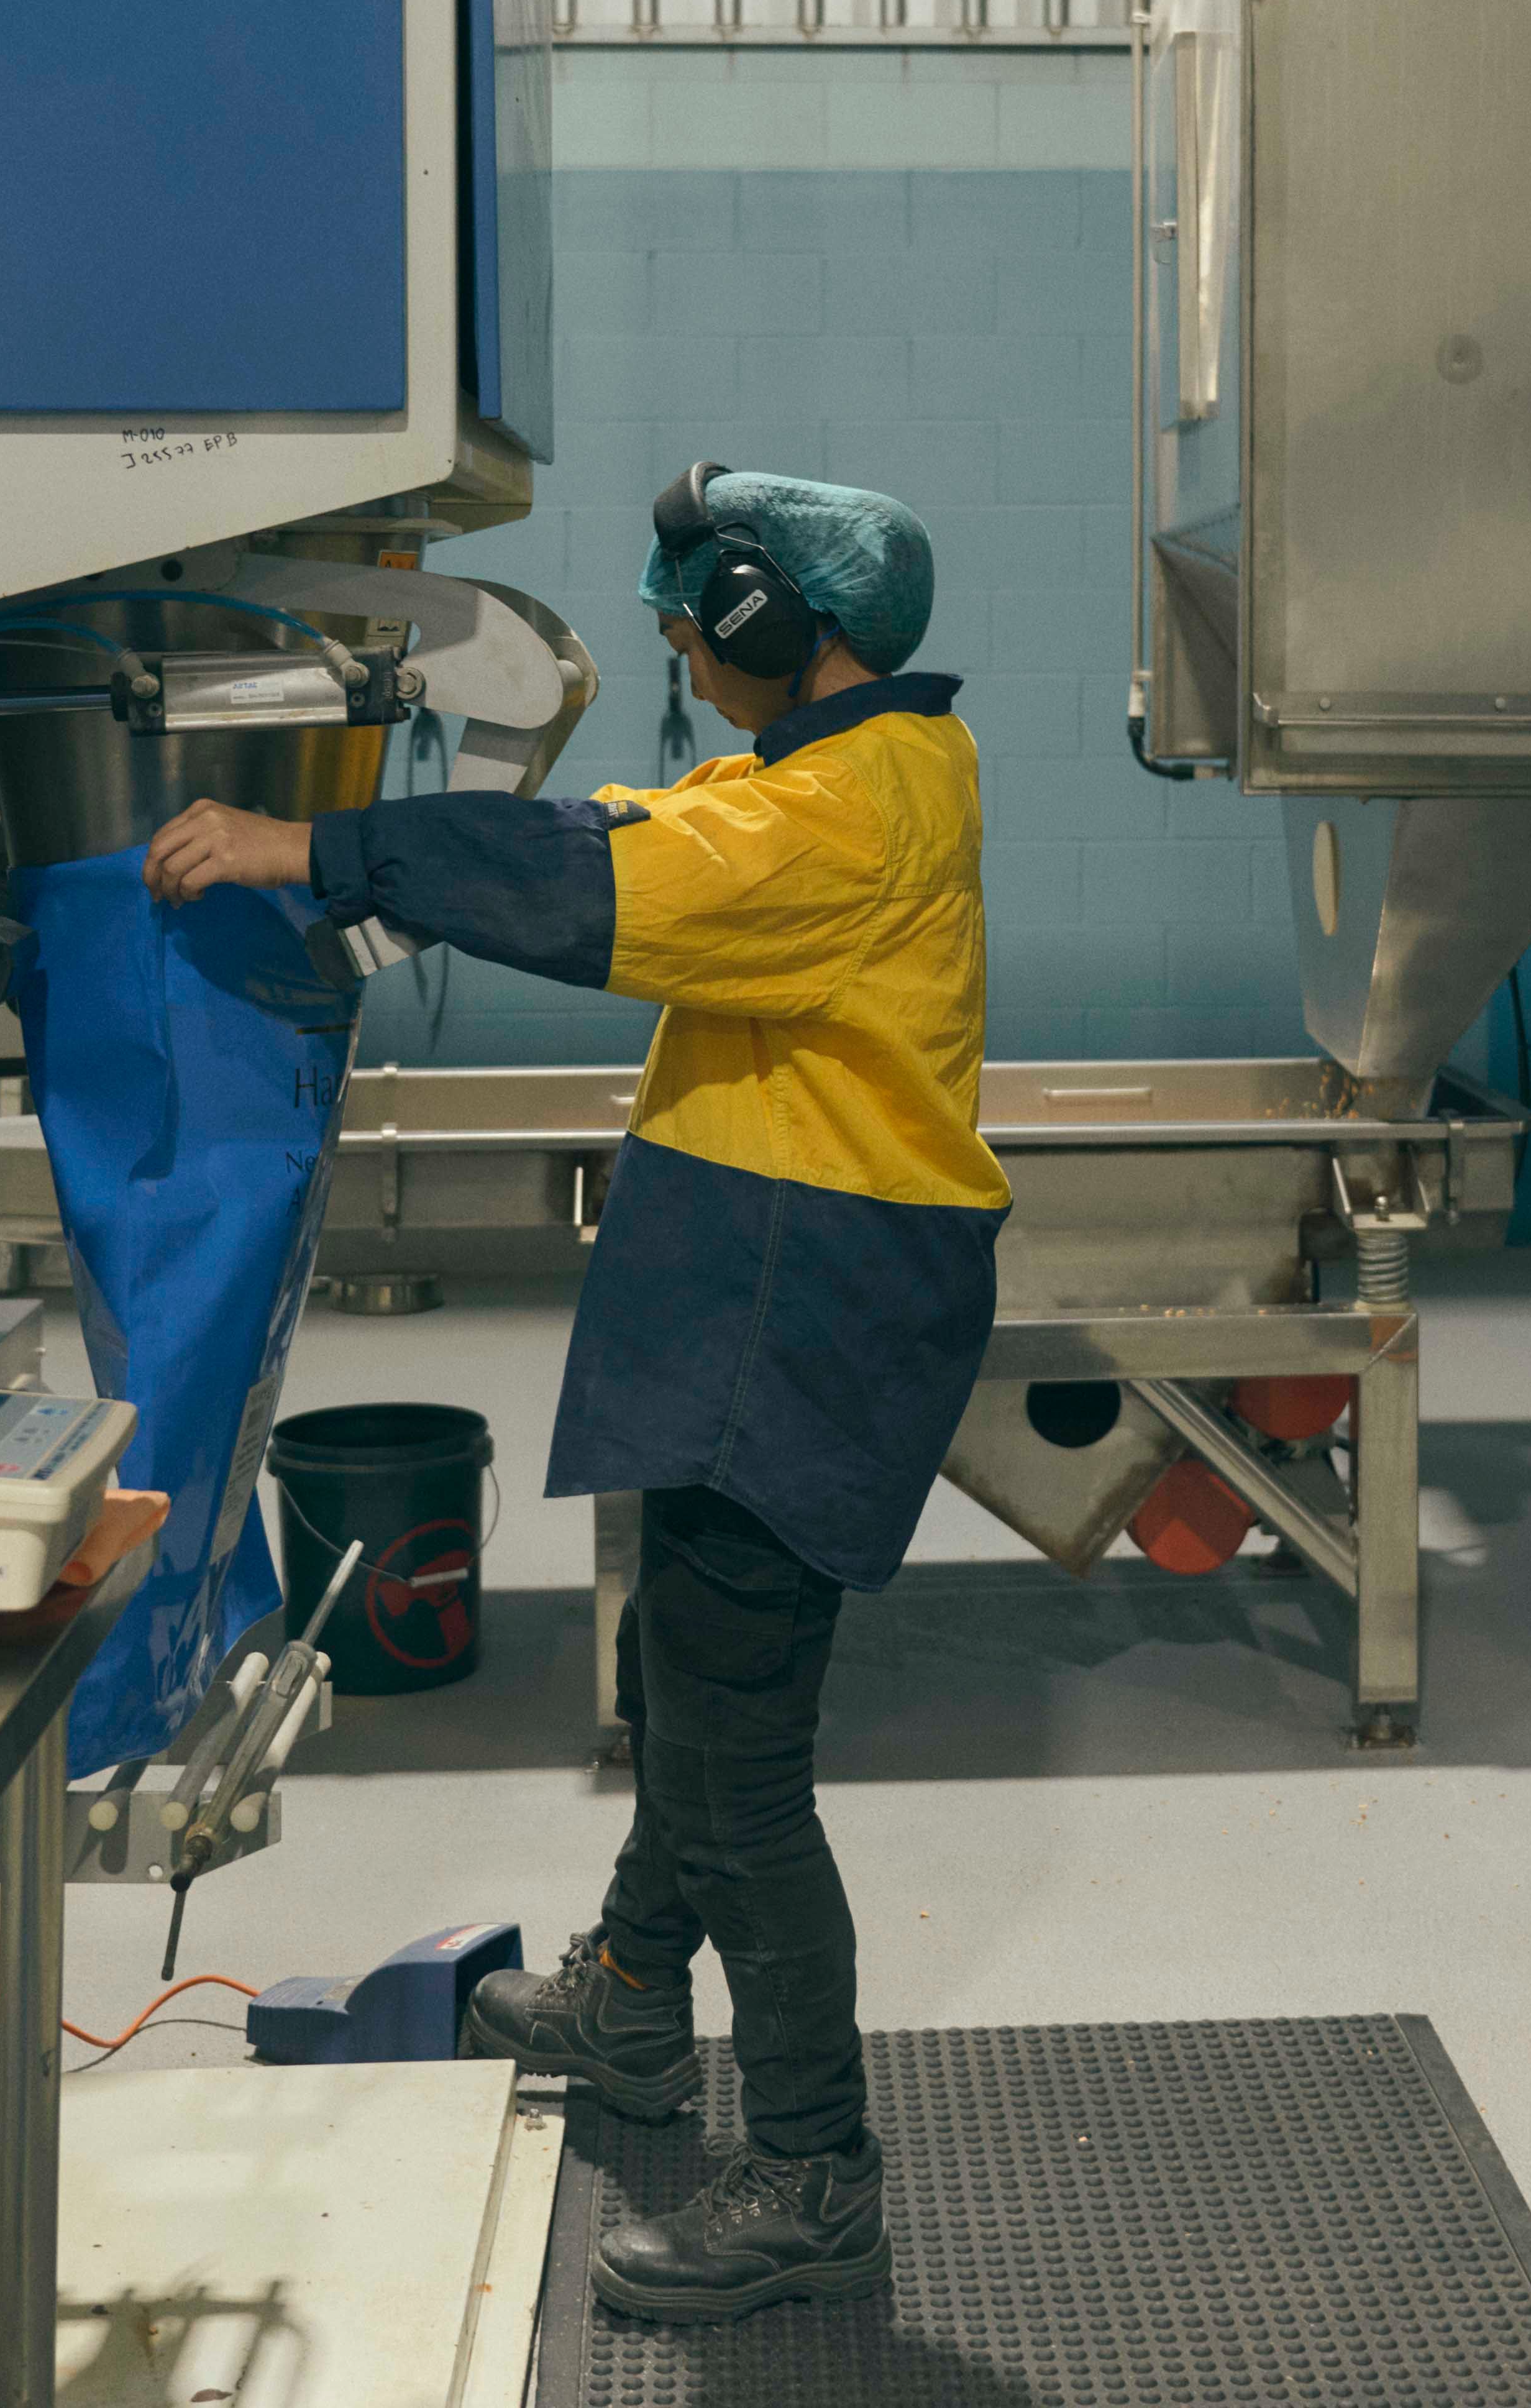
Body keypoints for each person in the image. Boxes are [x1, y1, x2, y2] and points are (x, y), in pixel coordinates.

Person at [142, 461, 1003, 2323]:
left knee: (739, 1770)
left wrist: (322, 848)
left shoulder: (840, 811)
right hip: (773, 1277)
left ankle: (815, 2172)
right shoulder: (846, 769)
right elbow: (638, 808)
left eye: (703, 612)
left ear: (782, 617)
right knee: (686, 1684)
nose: (686, 644)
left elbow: (602, 877)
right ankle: (626, 2004)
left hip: (802, 1297)